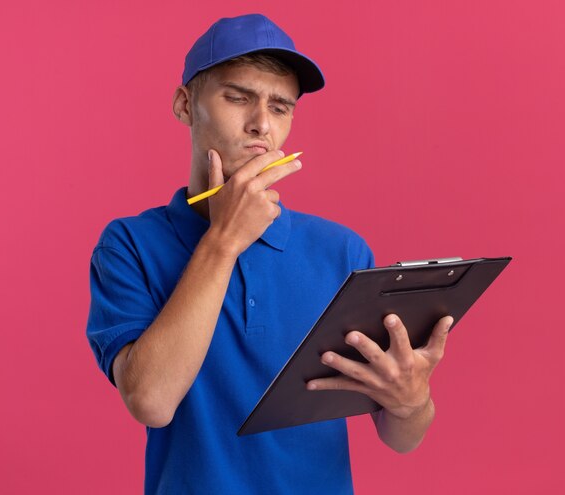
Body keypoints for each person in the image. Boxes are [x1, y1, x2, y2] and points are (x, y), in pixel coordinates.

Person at [87, 13, 452, 495]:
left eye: (281, 107)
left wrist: (411, 402)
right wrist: (223, 241)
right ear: (184, 104)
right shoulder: (129, 244)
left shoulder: (342, 251)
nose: (261, 124)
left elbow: (400, 437)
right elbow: (151, 402)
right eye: (238, 97)